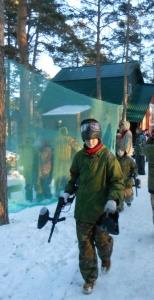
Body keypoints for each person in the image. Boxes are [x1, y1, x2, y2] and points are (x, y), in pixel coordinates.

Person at [62, 119, 124, 295]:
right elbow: (73, 177)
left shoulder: (108, 157)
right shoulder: (79, 157)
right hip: (82, 212)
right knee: (85, 248)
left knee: (102, 243)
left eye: (93, 139)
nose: (90, 143)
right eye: (87, 140)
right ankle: (89, 279)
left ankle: (106, 258)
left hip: (101, 212)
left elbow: (117, 181)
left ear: (98, 138)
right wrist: (68, 192)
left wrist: (113, 199)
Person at [53, 127, 81, 196]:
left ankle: (57, 191)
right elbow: (77, 147)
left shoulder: (56, 139)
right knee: (68, 176)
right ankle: (68, 191)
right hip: (66, 161)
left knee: (58, 176)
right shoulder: (69, 139)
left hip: (58, 161)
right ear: (66, 132)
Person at [116, 146, 138, 211]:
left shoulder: (129, 160)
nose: (120, 152)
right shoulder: (114, 160)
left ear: (124, 152)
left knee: (129, 197)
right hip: (118, 181)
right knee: (119, 196)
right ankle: (119, 207)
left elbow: (135, 167)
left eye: (121, 151)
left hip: (128, 181)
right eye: (118, 151)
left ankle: (128, 201)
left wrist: (134, 173)